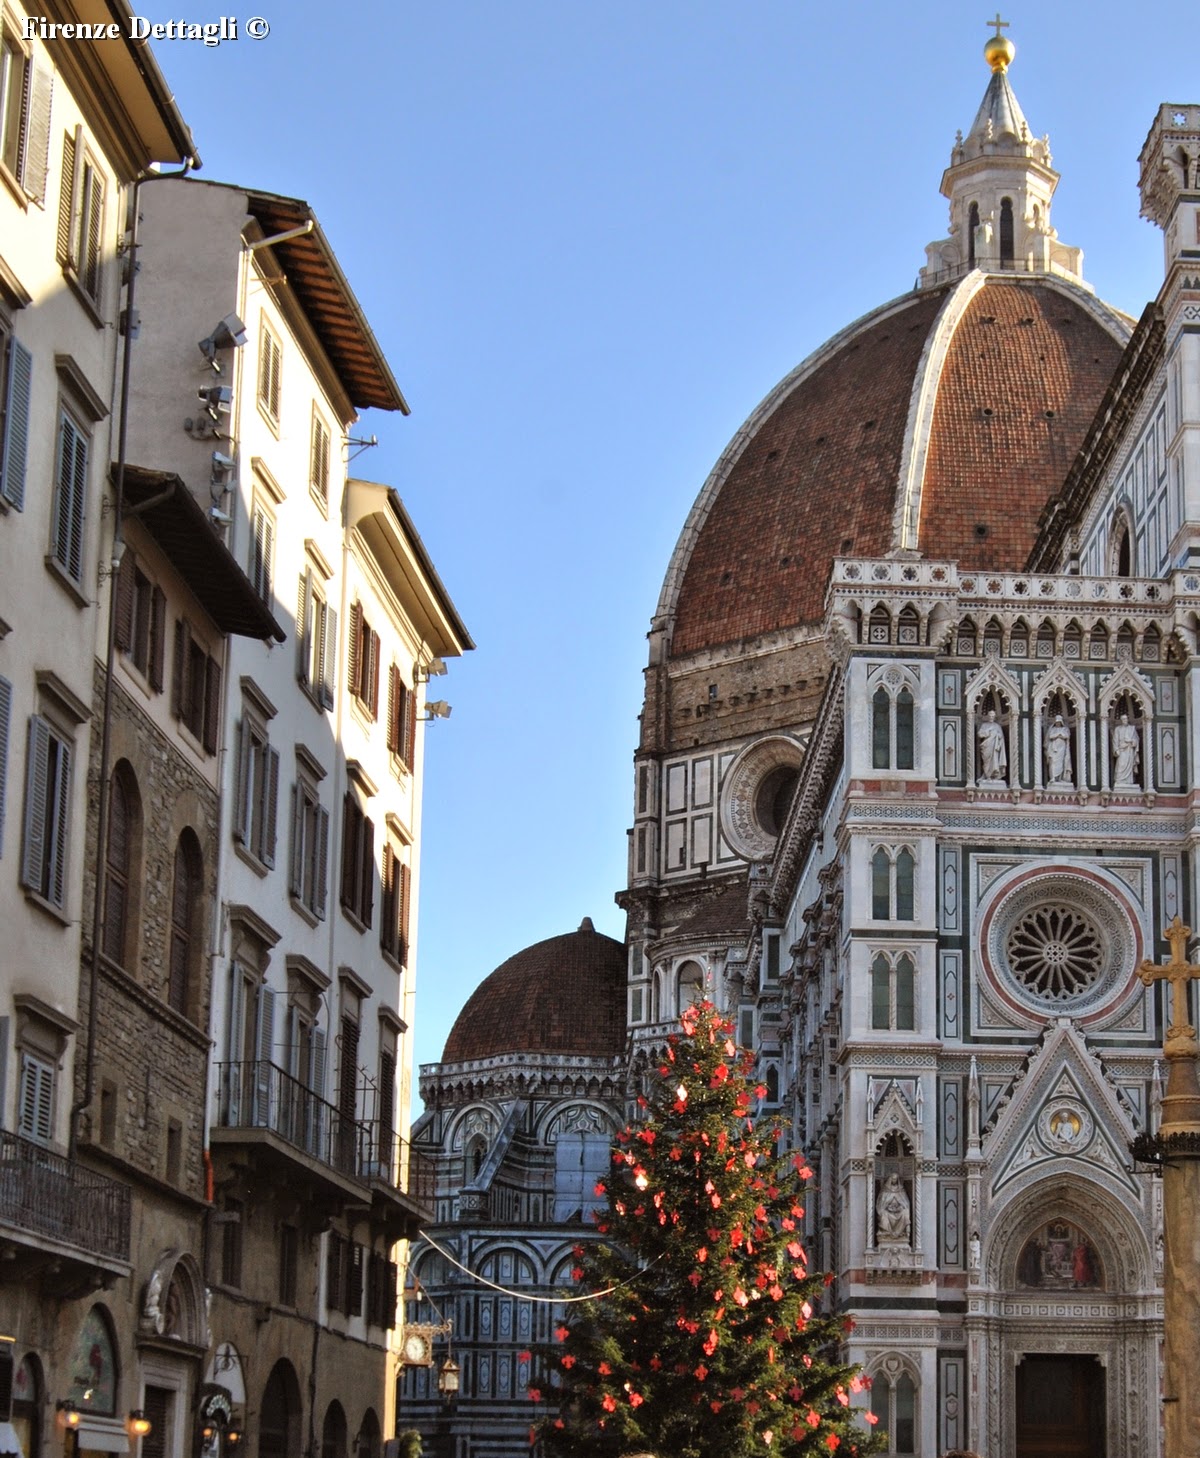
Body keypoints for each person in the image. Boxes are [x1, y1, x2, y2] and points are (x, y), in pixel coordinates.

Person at [876, 1173, 911, 1242]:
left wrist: (900, 1207)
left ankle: (903, 1233)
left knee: (905, 1212)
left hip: (899, 1211)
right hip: (888, 1211)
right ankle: (886, 1233)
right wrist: (888, 1207)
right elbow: (881, 1204)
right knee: (883, 1213)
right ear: (890, 1179)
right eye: (893, 1179)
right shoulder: (885, 1190)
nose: (894, 1180)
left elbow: (905, 1203)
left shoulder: (901, 1190)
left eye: (895, 1179)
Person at [977, 709, 1006, 782]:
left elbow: (1001, 737)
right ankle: (986, 775)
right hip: (987, 746)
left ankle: (994, 776)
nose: (991, 717)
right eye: (990, 715)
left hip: (995, 747)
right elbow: (980, 734)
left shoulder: (997, 726)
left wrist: (997, 736)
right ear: (987, 716)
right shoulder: (984, 725)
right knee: (986, 761)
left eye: (993, 716)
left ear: (995, 717)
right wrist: (988, 732)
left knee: (995, 760)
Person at [1112, 713, 1139, 787]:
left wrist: (1131, 741)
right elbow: (1115, 740)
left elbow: (1136, 740)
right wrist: (1116, 750)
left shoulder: (1132, 728)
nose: (1125, 720)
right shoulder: (1118, 729)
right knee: (1121, 765)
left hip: (1129, 750)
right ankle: (1119, 781)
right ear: (1121, 720)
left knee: (1130, 767)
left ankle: (1129, 781)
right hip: (1121, 750)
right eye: (1123, 719)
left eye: (1126, 718)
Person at [1045, 714, 1071, 785]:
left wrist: (1058, 735)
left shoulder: (1064, 729)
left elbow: (1066, 736)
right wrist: (1059, 735)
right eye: (1057, 722)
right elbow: (1050, 736)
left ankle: (1060, 778)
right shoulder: (1052, 729)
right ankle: (1053, 778)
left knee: (1061, 763)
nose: (1058, 723)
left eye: (1059, 722)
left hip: (1062, 749)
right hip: (1054, 749)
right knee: (1053, 762)